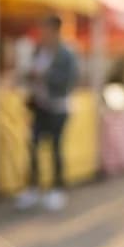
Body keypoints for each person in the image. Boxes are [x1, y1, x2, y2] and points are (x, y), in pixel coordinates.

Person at [16, 15, 79, 212]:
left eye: (46, 28)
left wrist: (44, 76)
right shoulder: (38, 50)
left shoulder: (67, 53)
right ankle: (33, 188)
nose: (43, 33)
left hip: (58, 108)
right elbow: (29, 74)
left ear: (55, 30)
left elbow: (70, 81)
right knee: (33, 146)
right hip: (39, 106)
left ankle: (57, 189)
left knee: (55, 148)